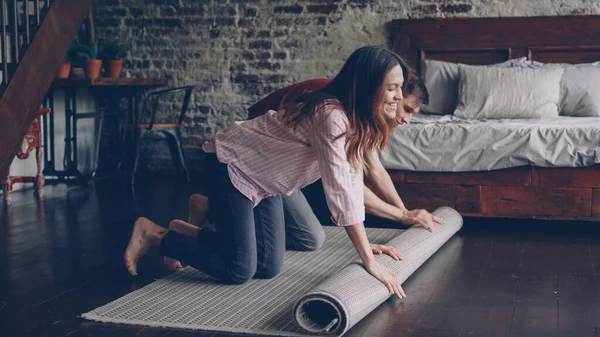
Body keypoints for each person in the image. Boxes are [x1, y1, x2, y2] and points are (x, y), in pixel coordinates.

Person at [124, 46, 438, 299]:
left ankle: (188, 230)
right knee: (238, 270)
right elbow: (342, 191)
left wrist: (397, 217)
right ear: (370, 85)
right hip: (234, 165)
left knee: (268, 265)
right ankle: (156, 234)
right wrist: (368, 259)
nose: (398, 98)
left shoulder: (359, 121)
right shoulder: (332, 116)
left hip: (267, 181)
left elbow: (355, 181)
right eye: (393, 88)